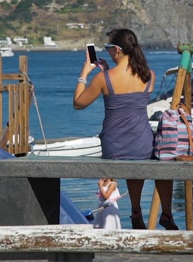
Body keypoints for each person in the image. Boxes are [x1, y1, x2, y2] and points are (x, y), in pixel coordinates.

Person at [73, 28, 178, 230]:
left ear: (117, 50)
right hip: (142, 143)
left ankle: (136, 213)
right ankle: (163, 214)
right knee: (154, 163)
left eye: (109, 48)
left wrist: (85, 73)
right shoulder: (150, 75)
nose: (108, 52)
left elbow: (78, 103)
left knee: (127, 161)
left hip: (114, 147)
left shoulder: (104, 78)